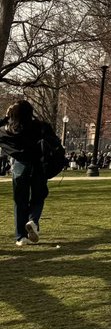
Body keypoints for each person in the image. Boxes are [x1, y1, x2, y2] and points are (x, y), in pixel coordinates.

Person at [0, 100, 61, 246]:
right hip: (39, 165)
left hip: (20, 166)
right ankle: (33, 220)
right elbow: (55, 143)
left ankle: (21, 237)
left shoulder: (10, 129)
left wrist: (7, 117)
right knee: (38, 197)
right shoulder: (41, 127)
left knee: (19, 201)